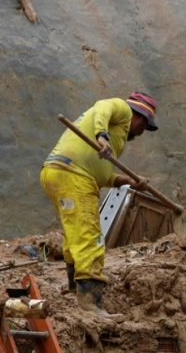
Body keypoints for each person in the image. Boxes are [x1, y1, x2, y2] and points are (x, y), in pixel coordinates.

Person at [40, 92, 158, 314]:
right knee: (90, 236)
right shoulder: (122, 110)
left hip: (56, 172)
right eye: (144, 126)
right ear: (139, 115)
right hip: (74, 175)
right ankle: (90, 302)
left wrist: (130, 181)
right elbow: (103, 106)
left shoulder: (113, 137)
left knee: (75, 234)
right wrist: (101, 136)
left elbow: (103, 176)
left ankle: (74, 289)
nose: (142, 132)